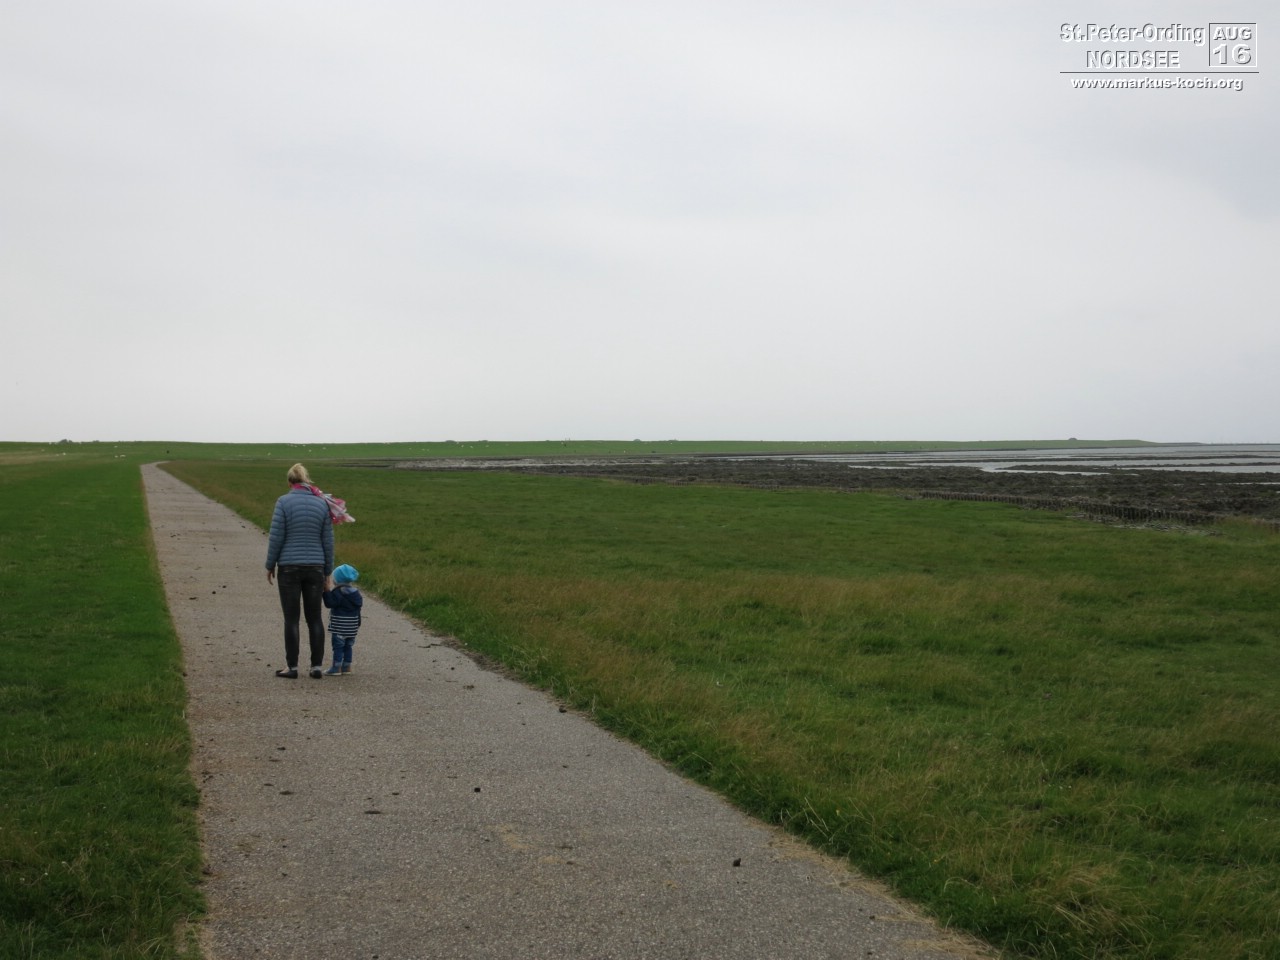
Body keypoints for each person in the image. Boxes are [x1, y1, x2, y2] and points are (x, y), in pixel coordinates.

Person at [265, 463, 334, 679]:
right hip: (315, 567)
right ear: (306, 481)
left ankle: (292, 667)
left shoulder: (283, 502)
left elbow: (276, 537)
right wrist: (328, 571)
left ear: (290, 482)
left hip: (289, 567)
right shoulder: (322, 503)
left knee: (291, 618)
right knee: (315, 618)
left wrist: (270, 564)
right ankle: (316, 666)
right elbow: (328, 541)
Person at [323, 563, 363, 675]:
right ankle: (346, 666)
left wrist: (326, 591)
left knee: (338, 647)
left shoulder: (338, 592)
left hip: (339, 626)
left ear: (336, 580)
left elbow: (330, 603)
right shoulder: (356, 593)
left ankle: (336, 668)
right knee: (348, 646)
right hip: (352, 627)